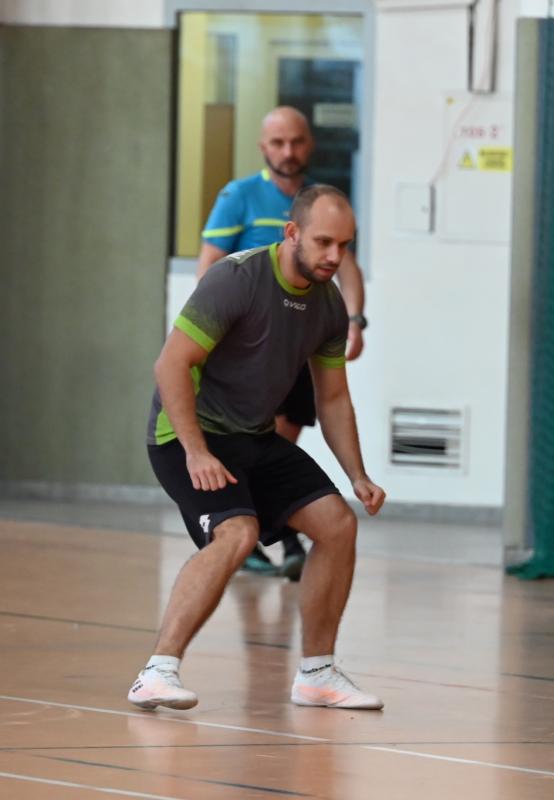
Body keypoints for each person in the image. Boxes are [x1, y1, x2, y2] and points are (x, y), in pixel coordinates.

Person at [129, 186, 386, 711]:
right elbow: (171, 364)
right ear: (291, 233)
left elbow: (333, 397)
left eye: (344, 245)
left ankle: (317, 675)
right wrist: (196, 451)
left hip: (253, 436)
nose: (334, 256)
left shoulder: (329, 306)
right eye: (323, 242)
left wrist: (356, 474)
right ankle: (156, 672)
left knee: (338, 525)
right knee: (237, 533)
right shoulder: (237, 280)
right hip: (186, 434)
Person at [198, 106, 368, 580]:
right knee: (255, 435)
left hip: (299, 340)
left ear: (309, 144)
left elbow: (347, 267)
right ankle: (265, 533)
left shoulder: (321, 203)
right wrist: (215, 332)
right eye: (278, 143)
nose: (287, 151)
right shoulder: (239, 196)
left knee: (283, 434)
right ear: (263, 147)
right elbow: (209, 266)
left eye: (296, 141)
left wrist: (355, 320)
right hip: (252, 343)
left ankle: (277, 528)